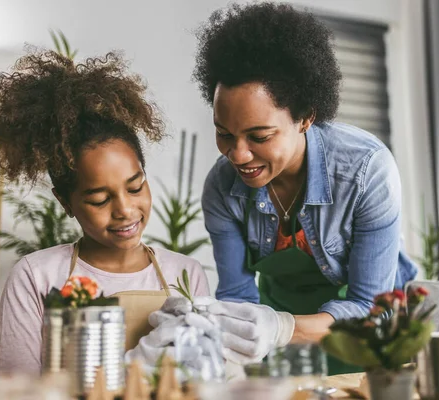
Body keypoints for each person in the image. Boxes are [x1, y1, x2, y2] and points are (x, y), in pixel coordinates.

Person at [164, 2, 418, 374]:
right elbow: (237, 297)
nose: (238, 154)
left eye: (259, 136)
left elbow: (369, 307)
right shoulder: (222, 187)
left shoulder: (366, 171)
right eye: (224, 134)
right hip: (284, 347)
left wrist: (282, 328)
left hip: (367, 338)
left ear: (305, 117)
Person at [0, 50, 210, 375]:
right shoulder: (36, 276)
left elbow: (203, 377)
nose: (125, 210)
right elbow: (15, 390)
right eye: (100, 199)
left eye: (135, 186)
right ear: (66, 202)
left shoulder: (186, 274)